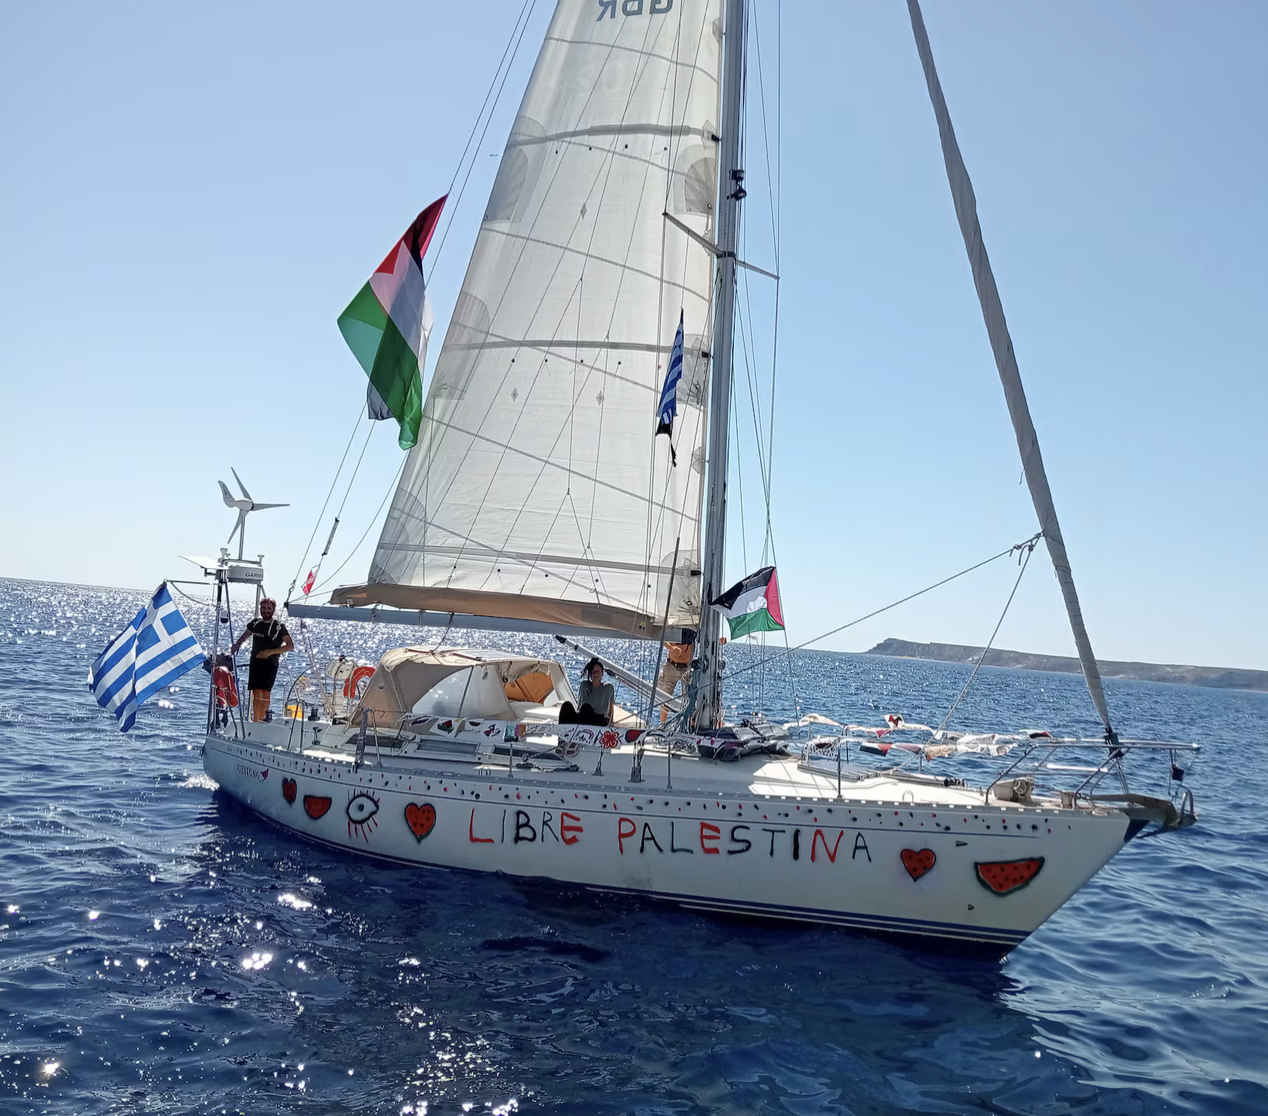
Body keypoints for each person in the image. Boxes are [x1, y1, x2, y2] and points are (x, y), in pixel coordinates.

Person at [231, 597, 294, 722]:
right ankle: (256, 719)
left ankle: (262, 720)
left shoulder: (279, 627)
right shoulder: (255, 624)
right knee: (256, 693)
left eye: (269, 608)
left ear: (273, 610)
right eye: (263, 608)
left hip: (270, 663)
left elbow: (290, 646)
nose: (266, 611)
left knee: (264, 693)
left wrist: (269, 652)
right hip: (255, 662)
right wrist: (237, 644)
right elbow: (244, 636)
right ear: (260, 609)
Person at [563, 657, 614, 726]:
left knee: (586, 707)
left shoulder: (608, 687)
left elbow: (611, 707)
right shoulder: (584, 685)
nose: (596, 674)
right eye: (593, 672)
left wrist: (611, 724)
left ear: (602, 673)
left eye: (598, 672)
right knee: (566, 706)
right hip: (585, 717)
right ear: (590, 673)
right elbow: (580, 706)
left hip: (600, 719)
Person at [659, 630, 695, 724]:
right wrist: (672, 648)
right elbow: (663, 639)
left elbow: (705, 637)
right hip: (671, 666)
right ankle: (662, 725)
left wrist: (719, 641)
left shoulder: (694, 627)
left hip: (687, 667)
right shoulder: (674, 627)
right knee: (664, 697)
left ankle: (689, 724)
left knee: (690, 698)